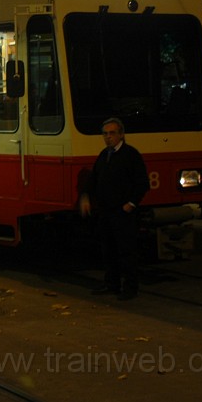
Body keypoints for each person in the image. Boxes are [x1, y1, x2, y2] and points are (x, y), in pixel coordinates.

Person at [78, 117, 150, 300]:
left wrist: (131, 204)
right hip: (105, 211)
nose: (108, 137)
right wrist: (86, 195)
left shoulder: (130, 155)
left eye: (112, 133)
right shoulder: (104, 155)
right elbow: (94, 178)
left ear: (121, 135)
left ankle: (130, 287)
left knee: (126, 251)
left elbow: (142, 183)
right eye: (105, 134)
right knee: (108, 249)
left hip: (122, 212)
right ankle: (112, 283)